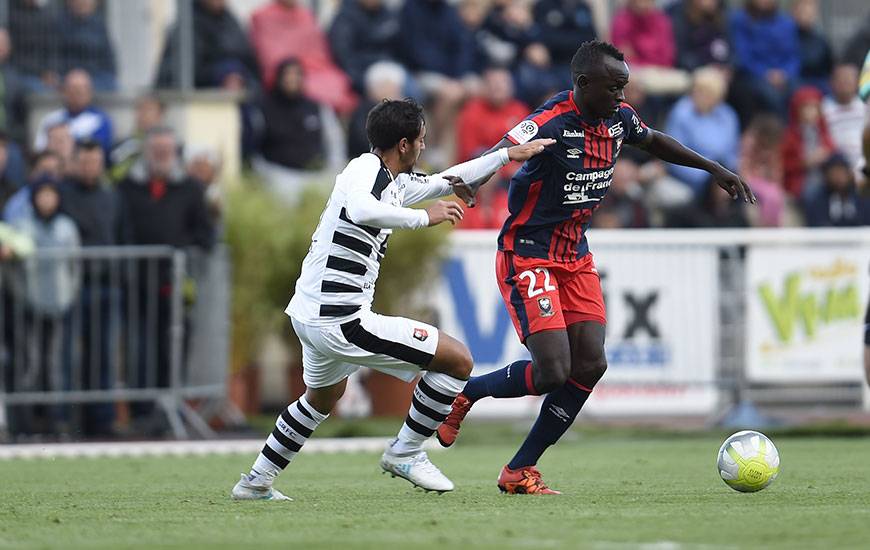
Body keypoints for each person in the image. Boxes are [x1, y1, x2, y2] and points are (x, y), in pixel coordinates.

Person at [436, 40, 755, 494]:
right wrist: (470, 182)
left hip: (575, 257)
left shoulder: (618, 119)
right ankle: (468, 392)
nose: (622, 97)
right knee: (551, 372)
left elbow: (655, 141)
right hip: (528, 252)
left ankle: (519, 470)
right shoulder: (550, 121)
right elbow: (502, 148)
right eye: (614, 87)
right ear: (584, 84)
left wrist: (713, 168)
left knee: (590, 364)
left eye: (624, 87)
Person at [231, 98, 553, 500]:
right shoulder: (363, 169)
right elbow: (364, 210)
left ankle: (255, 481)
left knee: (321, 398)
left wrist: (506, 155)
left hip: (311, 314)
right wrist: (425, 217)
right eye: (421, 139)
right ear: (403, 144)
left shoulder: (395, 178)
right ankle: (406, 451)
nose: (424, 146)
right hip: (339, 320)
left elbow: (450, 178)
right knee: (457, 360)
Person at [33, 70, 113, 156]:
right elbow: (40, 151)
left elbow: (98, 151)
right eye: (72, 89)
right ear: (64, 91)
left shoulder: (100, 120)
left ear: (90, 92)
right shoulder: (50, 119)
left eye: (81, 89)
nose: (77, 94)